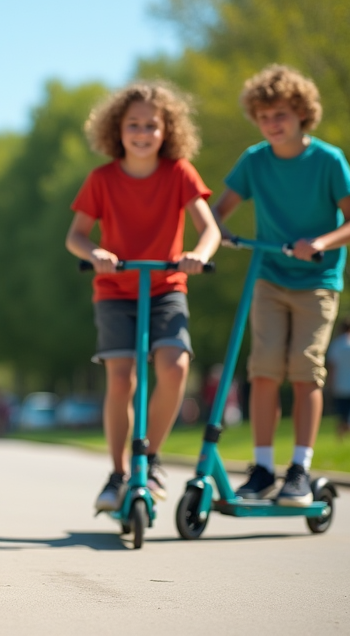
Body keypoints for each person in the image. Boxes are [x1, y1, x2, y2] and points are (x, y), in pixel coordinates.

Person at [213, 64, 350, 506]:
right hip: (269, 276)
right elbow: (216, 210)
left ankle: (299, 469)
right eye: (263, 117)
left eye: (279, 114)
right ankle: (262, 470)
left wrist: (320, 241)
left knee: (305, 369)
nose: (271, 124)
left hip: (318, 279)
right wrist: (216, 232)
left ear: (302, 113)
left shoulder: (328, 160)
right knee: (263, 370)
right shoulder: (254, 160)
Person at [65, 81, 220, 513]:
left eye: (152, 125)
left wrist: (197, 255)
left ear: (167, 130)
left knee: (175, 366)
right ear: (118, 128)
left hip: (166, 286)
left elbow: (209, 229)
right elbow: (75, 236)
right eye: (133, 124)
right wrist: (95, 252)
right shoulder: (102, 179)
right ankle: (118, 474)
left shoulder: (179, 173)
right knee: (122, 379)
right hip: (116, 290)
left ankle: (148, 459)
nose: (142, 132)